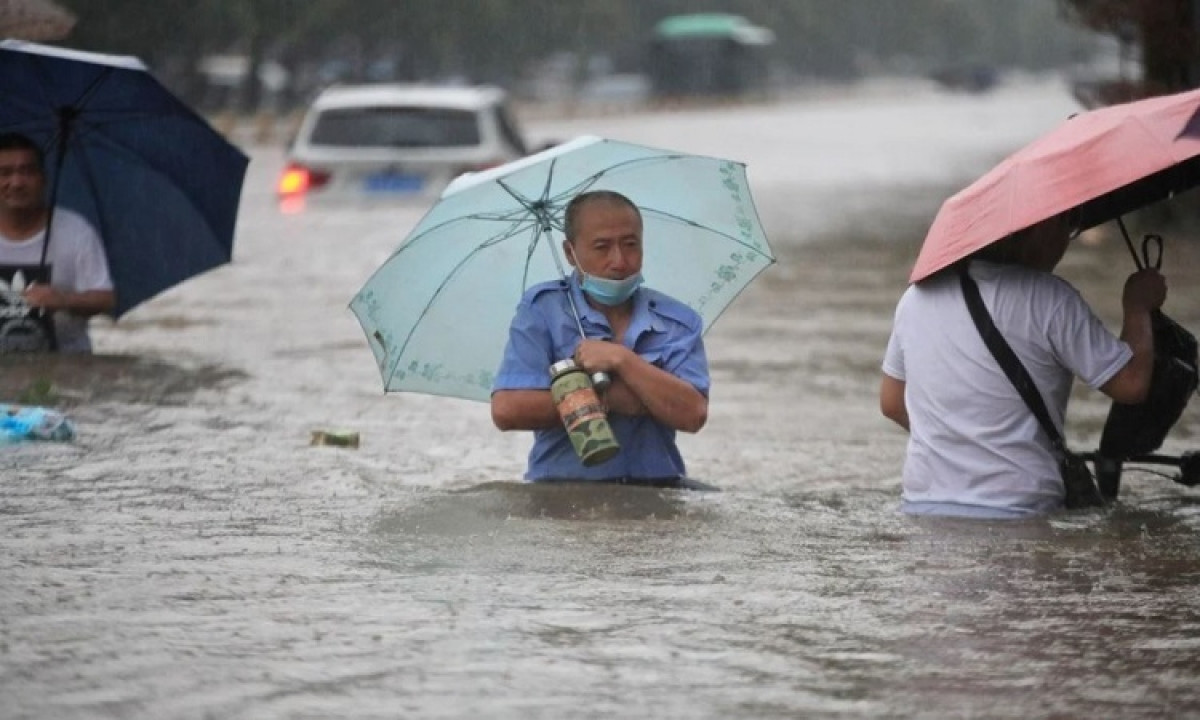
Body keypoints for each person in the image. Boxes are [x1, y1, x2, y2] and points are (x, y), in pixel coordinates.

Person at [879, 211, 1167, 518]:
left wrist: (963, 440)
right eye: (1063, 226)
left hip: (923, 508)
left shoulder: (916, 298)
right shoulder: (1050, 299)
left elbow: (892, 402)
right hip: (1019, 511)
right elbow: (1131, 383)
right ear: (1032, 231)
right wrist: (1138, 307)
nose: (1064, 242)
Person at [491, 190, 710, 486]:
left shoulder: (677, 321)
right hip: (562, 490)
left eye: (630, 245)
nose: (619, 261)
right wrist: (614, 397)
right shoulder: (543, 310)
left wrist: (622, 360)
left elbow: (693, 414)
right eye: (602, 247)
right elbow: (507, 409)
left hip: (658, 488)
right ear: (570, 253)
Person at [0, 132, 115, 353]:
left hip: (65, 365)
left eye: (27, 171)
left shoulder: (75, 231)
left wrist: (64, 299)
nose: (16, 183)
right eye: (5, 173)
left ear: (43, 179)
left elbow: (105, 298)